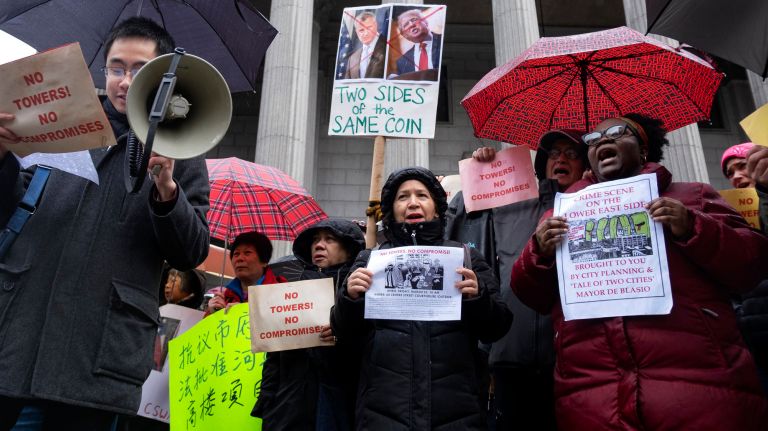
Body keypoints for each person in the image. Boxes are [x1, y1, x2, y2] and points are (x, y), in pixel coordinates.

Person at [0, 17, 210, 430]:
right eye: (116, 67)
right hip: (17, 344)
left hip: (95, 364)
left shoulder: (181, 151)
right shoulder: (60, 123)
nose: (124, 81)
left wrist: (167, 189)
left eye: (139, 69)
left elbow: (191, 250)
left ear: (164, 75)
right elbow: (10, 208)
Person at [511, 113, 768, 430]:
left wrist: (693, 227)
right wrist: (539, 252)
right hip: (593, 396)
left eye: (617, 132)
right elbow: (530, 294)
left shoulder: (693, 196)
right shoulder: (563, 213)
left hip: (700, 388)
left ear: (643, 148)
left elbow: (750, 266)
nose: (603, 140)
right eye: (593, 139)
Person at [331, 167, 513, 430]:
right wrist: (350, 299)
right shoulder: (369, 260)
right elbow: (342, 331)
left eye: (422, 195)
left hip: (457, 412)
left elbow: (499, 326)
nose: (413, 203)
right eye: (403, 197)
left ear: (437, 208)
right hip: (383, 411)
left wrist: (478, 298)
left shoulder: (465, 259)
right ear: (392, 209)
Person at [444, 129, 587, 430]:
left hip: (576, 360)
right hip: (511, 354)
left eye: (571, 153)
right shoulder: (513, 201)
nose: (560, 159)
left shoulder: (597, 206)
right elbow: (463, 217)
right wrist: (481, 171)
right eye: (553, 153)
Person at [252, 219, 365, 430]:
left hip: (337, 408)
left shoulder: (359, 293)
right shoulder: (291, 295)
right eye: (315, 240)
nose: (319, 245)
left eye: (329, 239)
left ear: (349, 250)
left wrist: (342, 334)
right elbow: (274, 360)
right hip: (287, 409)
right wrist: (267, 403)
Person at [720, 142, 768, 392]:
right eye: (730, 173)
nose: (736, 176)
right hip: (755, 342)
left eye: (742, 166)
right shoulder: (733, 217)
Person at [205, 231, 286, 315]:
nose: (240, 258)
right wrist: (212, 314)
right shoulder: (225, 296)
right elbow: (206, 328)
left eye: (247, 253)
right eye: (236, 254)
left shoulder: (283, 293)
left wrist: (246, 312)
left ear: (264, 261)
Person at [394, 8, 442, 79]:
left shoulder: (443, 42)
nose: (411, 25)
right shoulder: (402, 62)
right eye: (406, 25)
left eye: (414, 20)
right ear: (405, 35)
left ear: (425, 22)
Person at [343, 11, 386, 79]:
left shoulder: (388, 47)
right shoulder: (352, 59)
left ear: (376, 25)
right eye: (361, 30)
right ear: (356, 32)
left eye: (369, 28)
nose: (366, 33)